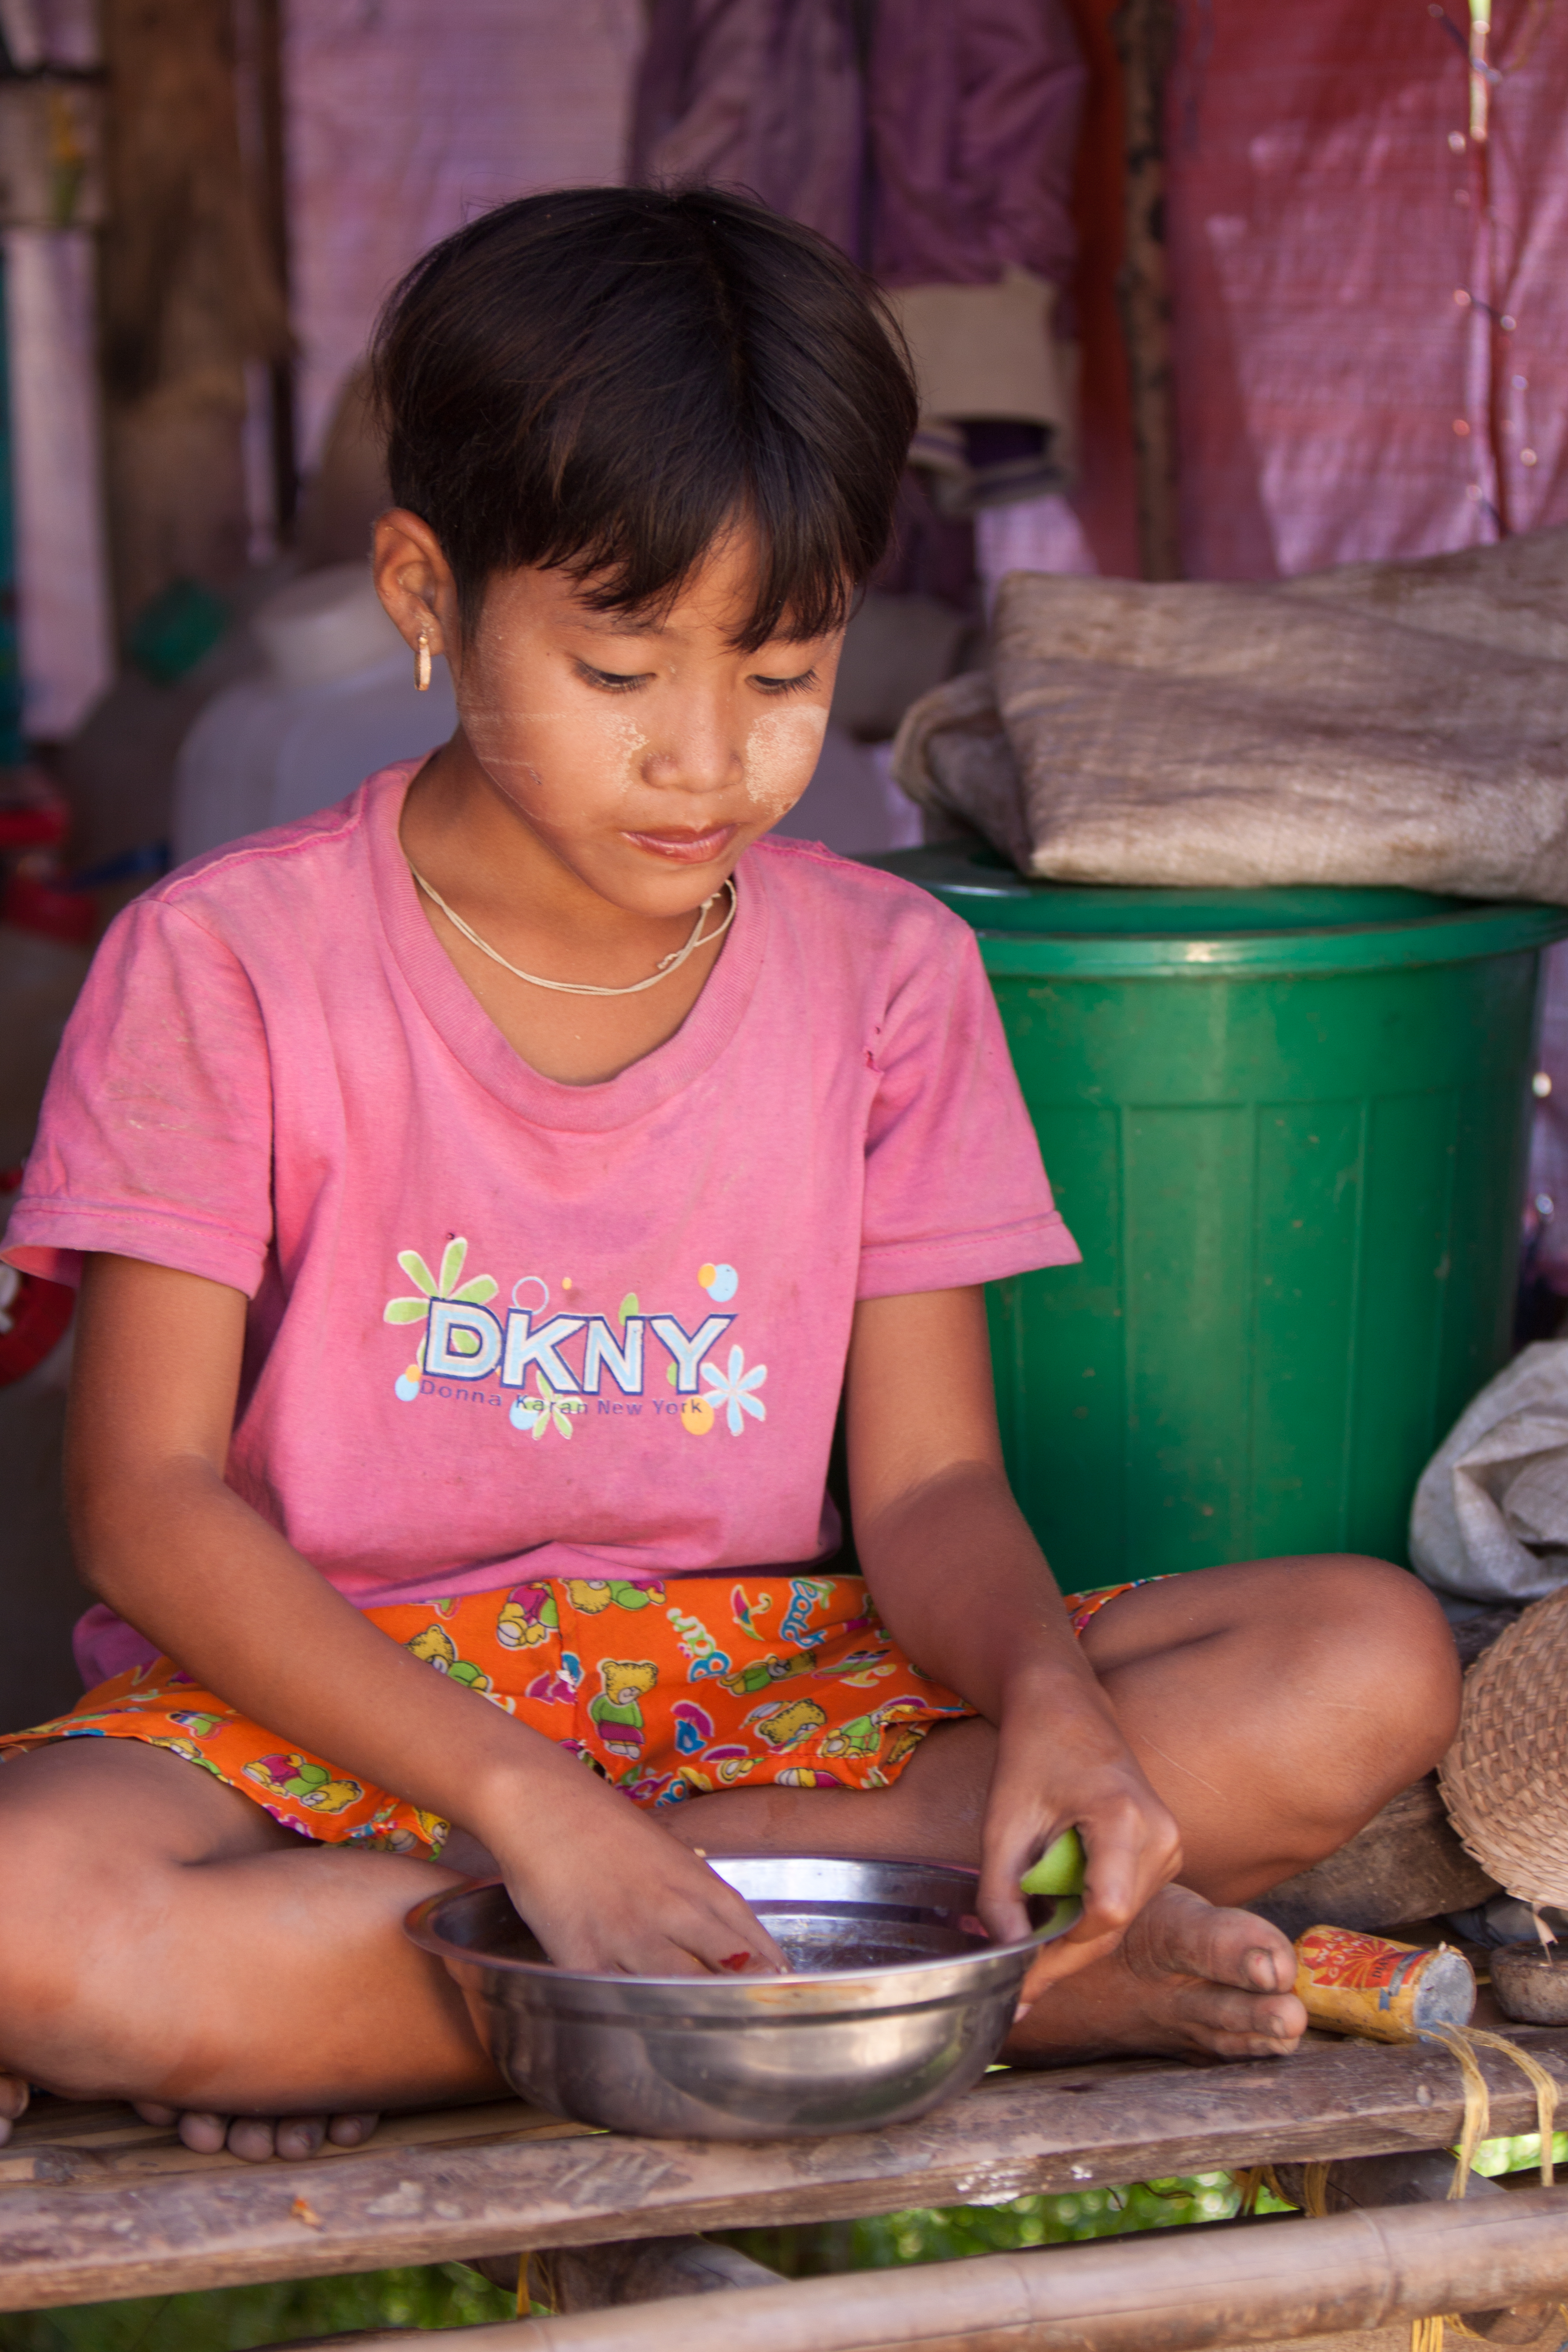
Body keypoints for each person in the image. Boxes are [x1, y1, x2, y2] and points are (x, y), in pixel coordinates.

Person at [0, 188, 1459, 2162]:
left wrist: (1050, 1707)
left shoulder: (889, 973)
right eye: (620, 675)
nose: (710, 760)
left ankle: (403, 1997)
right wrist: (528, 1806)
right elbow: (149, 1506)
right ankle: (978, 1985)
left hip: (746, 1684)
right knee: (20, 1912)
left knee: (1361, 1663)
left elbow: (931, 1484)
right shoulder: (228, 961)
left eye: (782, 678)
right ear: (426, 591)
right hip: (327, 1709)